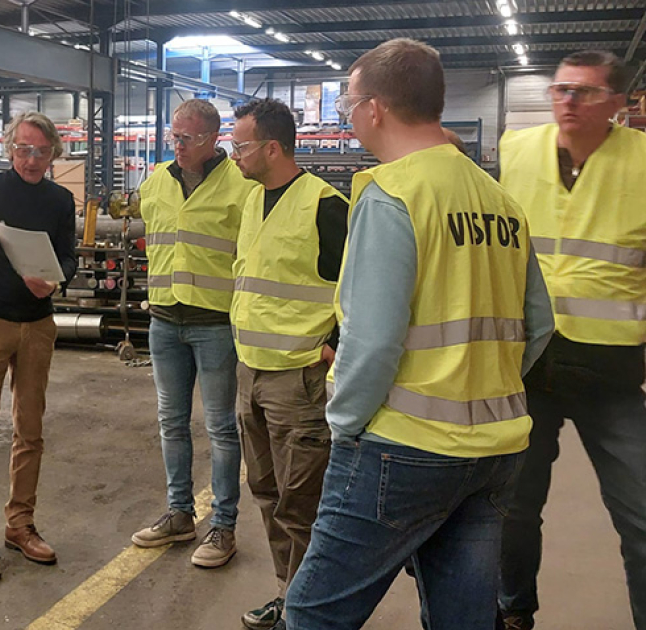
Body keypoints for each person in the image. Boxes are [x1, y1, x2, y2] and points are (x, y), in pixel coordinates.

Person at [283, 38, 555, 629]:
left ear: (374, 108)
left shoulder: (392, 195)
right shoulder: (500, 200)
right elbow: (539, 323)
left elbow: (372, 341)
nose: (348, 115)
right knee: (463, 616)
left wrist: (344, 422)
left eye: (348, 103)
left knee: (311, 614)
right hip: (495, 450)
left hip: (403, 447)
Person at [498, 50, 646, 630]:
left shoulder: (641, 163)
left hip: (611, 375)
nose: (568, 101)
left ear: (618, 103)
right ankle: (513, 612)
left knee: (640, 515)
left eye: (584, 91)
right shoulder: (516, 150)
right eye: (561, 89)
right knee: (513, 510)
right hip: (528, 366)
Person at [227, 98, 348, 629]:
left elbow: (363, 287)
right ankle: (290, 595)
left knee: (303, 504)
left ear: (272, 148)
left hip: (299, 379)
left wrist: (335, 344)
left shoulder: (325, 205)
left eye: (240, 145)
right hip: (250, 371)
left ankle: (310, 610)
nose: (234, 154)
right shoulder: (254, 200)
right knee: (267, 492)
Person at [0, 111, 78, 580]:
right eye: (24, 150)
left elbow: (69, 258)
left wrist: (56, 282)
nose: (32, 159)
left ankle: (20, 524)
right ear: (10, 149)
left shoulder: (61, 200)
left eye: (42, 151)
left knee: (30, 430)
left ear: (54, 153)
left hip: (36, 323)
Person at [131, 99, 255, 568]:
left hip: (215, 323)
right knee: (171, 421)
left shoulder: (241, 186)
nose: (177, 145)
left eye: (187, 138)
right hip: (164, 319)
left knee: (221, 427)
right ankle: (180, 514)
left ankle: (223, 525)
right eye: (174, 136)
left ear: (212, 139)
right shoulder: (155, 182)